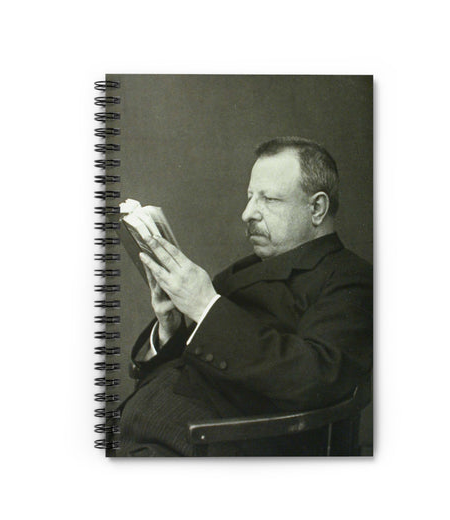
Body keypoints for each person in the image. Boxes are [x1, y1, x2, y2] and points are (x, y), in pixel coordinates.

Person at [116, 137, 373, 457]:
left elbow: (316, 376)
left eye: (269, 200)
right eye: (251, 197)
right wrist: (170, 325)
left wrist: (205, 306)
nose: (247, 213)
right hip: (145, 430)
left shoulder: (350, 278)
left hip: (209, 446)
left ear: (317, 208)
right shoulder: (251, 266)